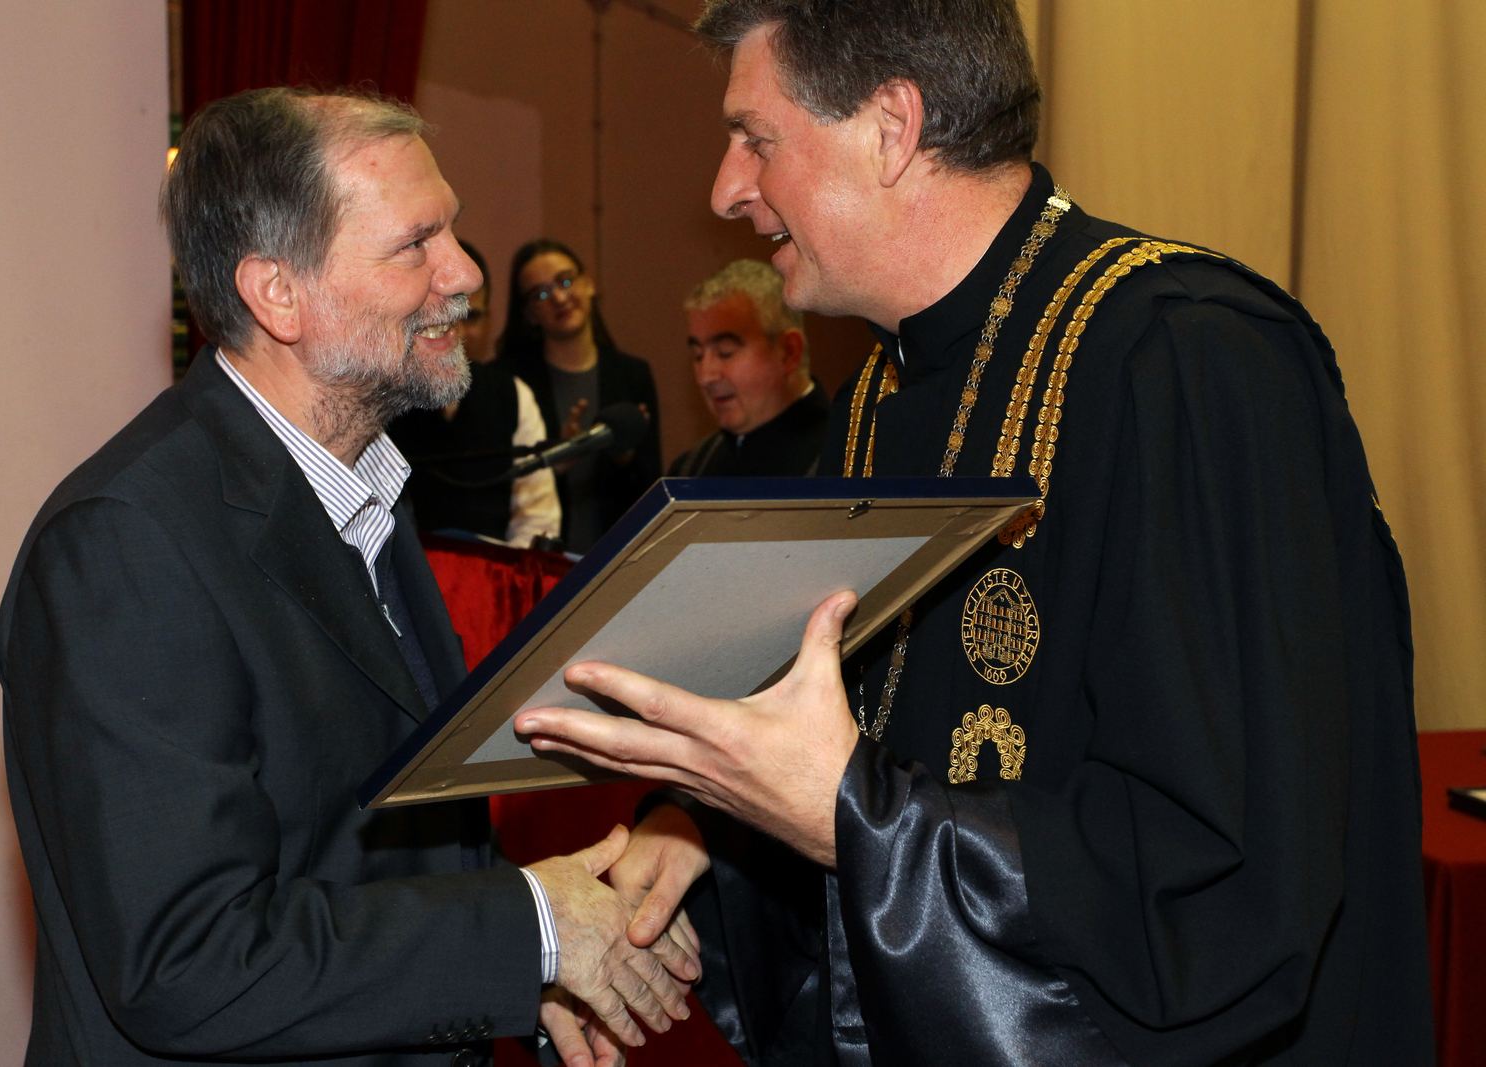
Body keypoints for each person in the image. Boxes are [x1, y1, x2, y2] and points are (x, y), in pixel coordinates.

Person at [513, 2, 1433, 1064]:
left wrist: (847, 814)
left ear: (891, 128)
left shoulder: (1188, 360)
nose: (726, 189)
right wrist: (707, 829)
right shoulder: (876, 397)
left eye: (755, 140)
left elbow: (1218, 879)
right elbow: (866, 743)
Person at [0, 87, 698, 1067]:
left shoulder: (366, 484)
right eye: (415, 245)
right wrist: (529, 926)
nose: (464, 273)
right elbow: (188, 962)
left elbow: (368, 841)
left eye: (451, 230)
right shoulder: (124, 543)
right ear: (277, 294)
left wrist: (528, 962)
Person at [389, 240, 562, 546]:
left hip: (492, 570)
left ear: (489, 320)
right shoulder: (383, 396)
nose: (455, 331)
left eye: (471, 317)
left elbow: (537, 520)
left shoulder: (512, 394)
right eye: (444, 315)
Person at [498, 239, 662, 553]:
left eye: (565, 281)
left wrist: (623, 456)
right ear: (529, 314)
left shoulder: (632, 374)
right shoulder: (509, 382)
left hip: (619, 555)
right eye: (541, 294)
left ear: (589, 283)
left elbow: (652, 486)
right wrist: (555, 463)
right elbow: (496, 488)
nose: (559, 298)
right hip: (539, 556)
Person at [668, 259, 826, 477]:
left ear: (789, 352)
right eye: (698, 355)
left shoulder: (846, 462)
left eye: (725, 352)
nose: (706, 377)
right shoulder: (691, 471)